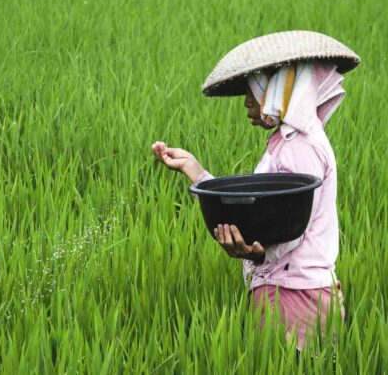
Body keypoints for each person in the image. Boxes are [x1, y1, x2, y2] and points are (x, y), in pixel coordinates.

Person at [151, 31, 358, 352]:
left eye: (254, 90)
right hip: (300, 293)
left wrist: (254, 252)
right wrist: (194, 170)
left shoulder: (298, 148)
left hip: (292, 297)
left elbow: (290, 230)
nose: (247, 101)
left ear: (279, 90)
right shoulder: (294, 142)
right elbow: (257, 209)